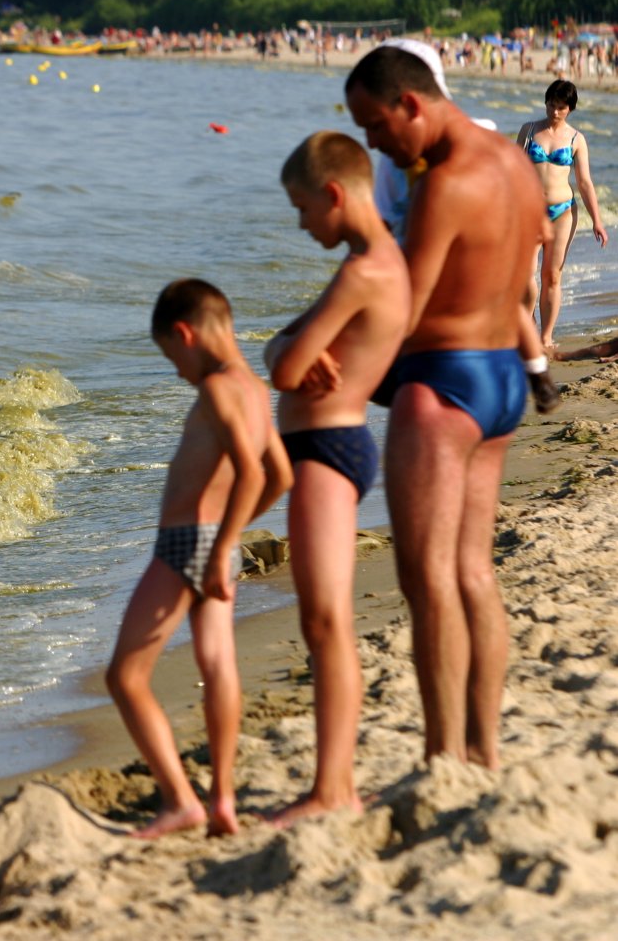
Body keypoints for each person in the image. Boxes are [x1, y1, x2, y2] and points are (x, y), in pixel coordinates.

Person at [346, 47, 553, 768]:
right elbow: (526, 279)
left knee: (425, 579)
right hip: (501, 381)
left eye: (373, 126)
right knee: (473, 573)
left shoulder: (443, 184)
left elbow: (403, 308)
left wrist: (323, 366)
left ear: (410, 104)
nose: (372, 143)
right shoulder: (514, 163)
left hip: (441, 384)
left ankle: (441, 758)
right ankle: (483, 752)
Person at [106, 279, 292, 837]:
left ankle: (180, 799)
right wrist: (231, 538)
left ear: (184, 334)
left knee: (125, 677)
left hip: (190, 544)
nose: (177, 370)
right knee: (217, 663)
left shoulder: (215, 389)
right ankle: (223, 801)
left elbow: (255, 472)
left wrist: (215, 543)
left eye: (171, 357)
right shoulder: (257, 390)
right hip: (219, 546)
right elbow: (279, 474)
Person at [264, 132, 409, 823]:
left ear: (332, 194)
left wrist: (290, 350)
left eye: (301, 208)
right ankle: (333, 784)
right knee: (323, 620)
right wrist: (288, 346)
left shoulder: (362, 272)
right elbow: (281, 347)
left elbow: (286, 369)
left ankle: (333, 789)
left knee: (326, 622)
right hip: (327, 441)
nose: (300, 224)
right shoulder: (369, 259)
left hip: (330, 443)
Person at [373, 38, 562, 415]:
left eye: (374, 123)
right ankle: (537, 373)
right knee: (511, 305)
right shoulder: (465, 139)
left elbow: (391, 244)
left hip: (449, 357)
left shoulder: (425, 164)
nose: (371, 138)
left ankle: (538, 371)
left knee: (512, 303)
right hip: (488, 355)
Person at [516, 80, 609, 350]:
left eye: (560, 107)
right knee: (525, 275)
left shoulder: (576, 139)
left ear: (570, 109)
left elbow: (585, 183)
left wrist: (597, 221)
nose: (554, 112)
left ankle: (546, 337)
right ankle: (528, 324)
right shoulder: (529, 130)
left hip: (562, 212)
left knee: (552, 275)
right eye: (551, 105)